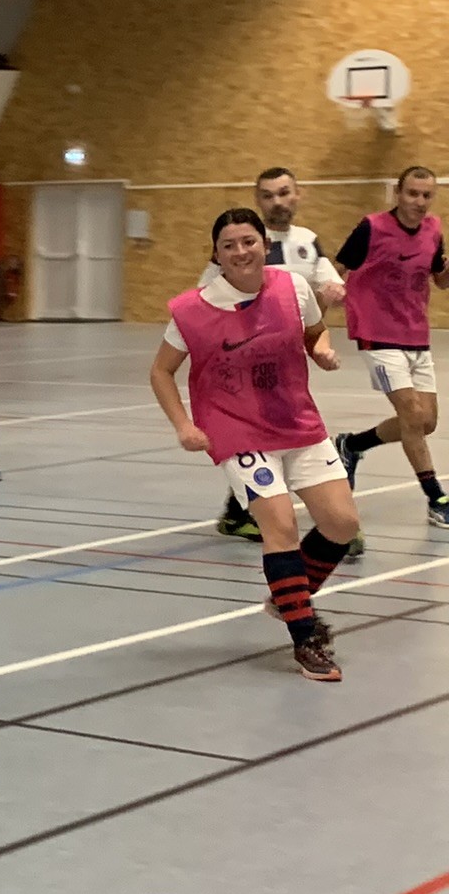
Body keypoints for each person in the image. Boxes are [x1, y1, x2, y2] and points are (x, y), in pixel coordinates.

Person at [150, 208, 358, 681]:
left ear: (266, 245)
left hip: (296, 420)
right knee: (279, 526)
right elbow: (161, 371)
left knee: (342, 524)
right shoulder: (193, 310)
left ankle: (287, 599)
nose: (240, 251)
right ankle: (306, 639)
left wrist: (321, 348)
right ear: (217, 255)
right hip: (235, 428)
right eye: (229, 245)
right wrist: (183, 424)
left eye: (249, 241)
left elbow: (313, 330)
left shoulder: (292, 288)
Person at [207, 166, 347, 543]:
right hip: (243, 367)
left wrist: (330, 307)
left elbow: (322, 297)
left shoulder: (307, 241)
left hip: (287, 368)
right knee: (261, 438)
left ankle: (245, 514)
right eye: (268, 195)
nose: (278, 201)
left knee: (279, 437)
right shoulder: (242, 242)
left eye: (284, 193)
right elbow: (207, 301)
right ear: (258, 200)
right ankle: (291, 519)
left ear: (298, 195)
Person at [332, 165, 449, 528]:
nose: (419, 201)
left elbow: (439, 280)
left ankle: (352, 445)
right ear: (398, 194)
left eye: (426, 195)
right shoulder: (372, 227)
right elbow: (338, 270)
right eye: (412, 193)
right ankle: (436, 497)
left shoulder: (433, 229)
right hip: (376, 333)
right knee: (412, 415)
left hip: (416, 334)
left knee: (426, 422)